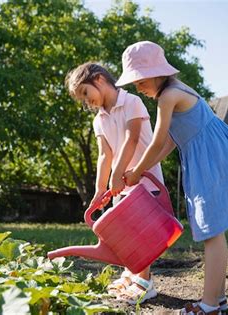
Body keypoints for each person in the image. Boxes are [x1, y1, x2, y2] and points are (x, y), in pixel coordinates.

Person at [118, 41, 228, 314]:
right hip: (207, 156)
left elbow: (156, 141)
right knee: (212, 229)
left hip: (209, 158)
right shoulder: (175, 93)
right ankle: (218, 299)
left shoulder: (169, 96)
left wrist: (138, 170)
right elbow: (169, 144)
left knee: (211, 231)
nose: (137, 88)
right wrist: (141, 170)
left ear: (155, 73)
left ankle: (210, 305)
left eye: (139, 81)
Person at [65, 62, 164, 304]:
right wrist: (101, 189)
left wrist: (116, 175)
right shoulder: (99, 119)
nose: (86, 102)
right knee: (125, 235)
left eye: (86, 94)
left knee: (141, 235)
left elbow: (131, 140)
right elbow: (104, 154)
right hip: (119, 186)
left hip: (142, 181)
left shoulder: (132, 102)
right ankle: (131, 275)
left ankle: (145, 282)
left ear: (99, 80)